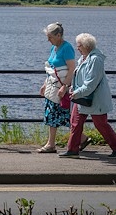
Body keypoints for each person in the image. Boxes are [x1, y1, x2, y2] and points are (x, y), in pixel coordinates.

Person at [59, 33, 116, 158]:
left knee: (101, 124)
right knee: (75, 122)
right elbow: (79, 78)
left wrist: (77, 92)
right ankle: (72, 149)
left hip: (94, 99)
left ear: (86, 46)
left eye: (79, 45)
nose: (77, 48)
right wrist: (74, 89)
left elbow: (92, 82)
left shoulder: (96, 59)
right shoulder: (83, 58)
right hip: (82, 97)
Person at [37, 23, 89, 153]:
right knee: (59, 115)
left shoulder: (67, 48)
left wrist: (65, 87)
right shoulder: (54, 48)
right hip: (52, 86)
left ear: (58, 35)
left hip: (60, 87)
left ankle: (51, 144)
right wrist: (45, 84)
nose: (48, 40)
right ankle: (81, 138)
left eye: (50, 37)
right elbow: (51, 69)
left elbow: (72, 68)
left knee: (55, 114)